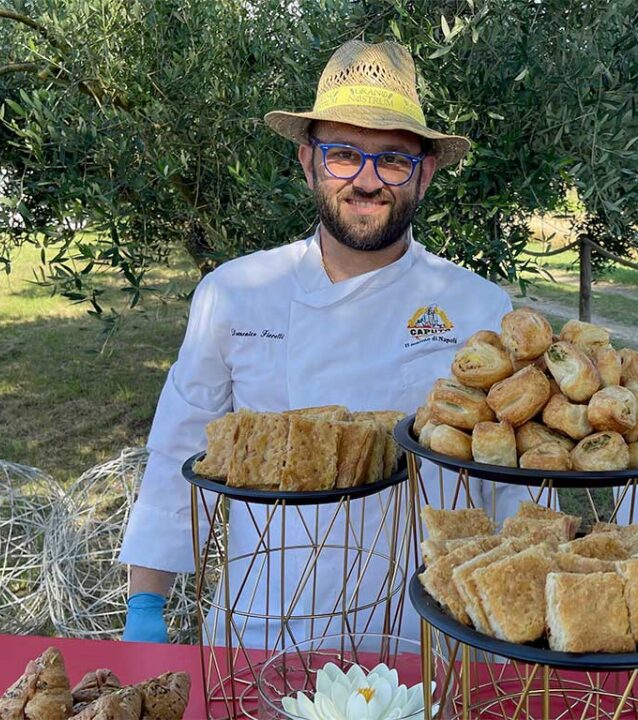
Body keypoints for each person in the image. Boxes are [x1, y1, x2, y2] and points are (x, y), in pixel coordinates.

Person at [117, 40, 514, 644]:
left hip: (423, 625)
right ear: (308, 163)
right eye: (343, 155)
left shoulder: (478, 309)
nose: (367, 180)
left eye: (393, 160)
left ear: (424, 174)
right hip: (265, 622)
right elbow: (178, 448)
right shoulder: (235, 293)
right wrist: (146, 605)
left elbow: (507, 480)